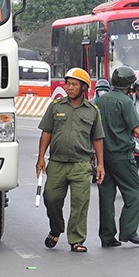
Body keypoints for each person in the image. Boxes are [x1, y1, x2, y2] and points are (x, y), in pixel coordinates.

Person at [95, 66, 139, 248]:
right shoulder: (126, 102)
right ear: (129, 84)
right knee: (134, 192)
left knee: (106, 196)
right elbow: (138, 128)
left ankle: (107, 236)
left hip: (103, 155)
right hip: (121, 155)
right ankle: (128, 231)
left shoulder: (101, 101)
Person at [36, 68, 104, 253]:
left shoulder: (92, 111)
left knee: (80, 203)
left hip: (81, 164)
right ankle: (56, 228)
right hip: (57, 163)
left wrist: (101, 165)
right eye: (68, 84)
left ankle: (76, 239)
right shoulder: (56, 106)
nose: (70, 87)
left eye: (74, 84)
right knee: (51, 198)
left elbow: (97, 138)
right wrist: (41, 157)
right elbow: (46, 133)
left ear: (84, 87)